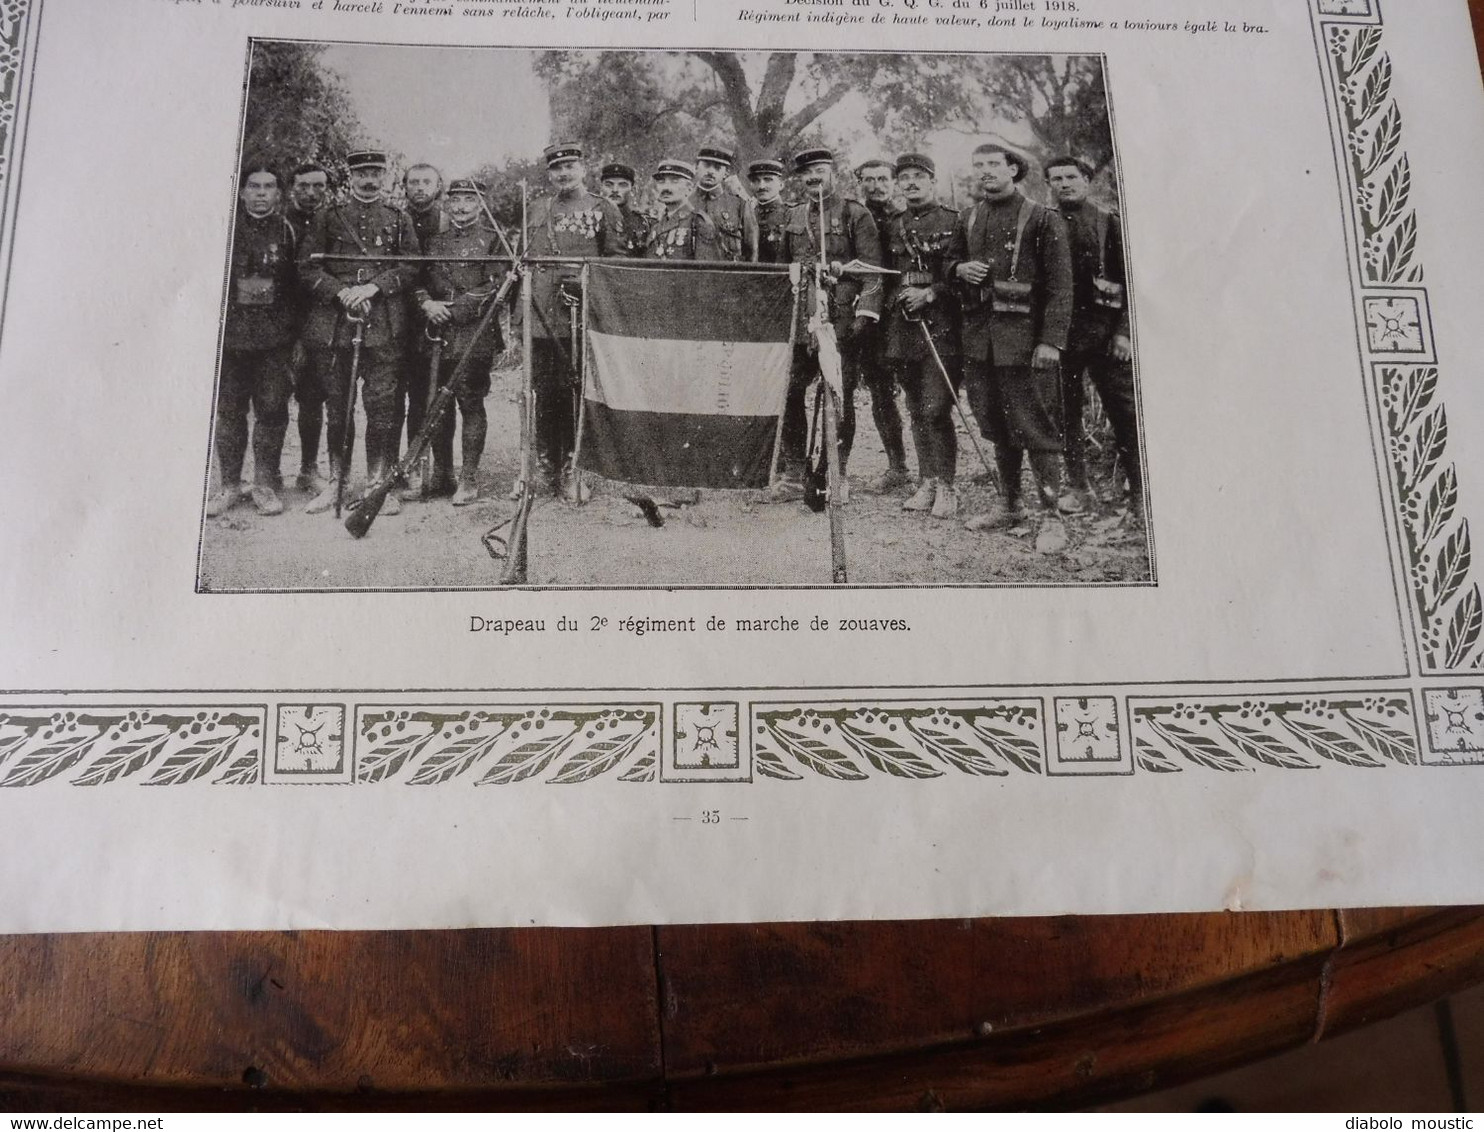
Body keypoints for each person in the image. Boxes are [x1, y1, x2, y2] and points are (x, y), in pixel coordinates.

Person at [952, 142, 1074, 552]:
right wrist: (958, 269)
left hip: (1026, 346)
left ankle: (1051, 517)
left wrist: (1051, 342)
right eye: (978, 164)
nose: (985, 171)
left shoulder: (1042, 218)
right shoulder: (969, 218)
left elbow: (1061, 288)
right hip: (981, 344)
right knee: (997, 426)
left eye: (993, 164)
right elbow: (946, 265)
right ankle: (1010, 504)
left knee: (1035, 427)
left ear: (1013, 169)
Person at [297, 149, 418, 516]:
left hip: (384, 325)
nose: (368, 180)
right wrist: (341, 292)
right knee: (339, 408)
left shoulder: (399, 218)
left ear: (384, 177)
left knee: (382, 407)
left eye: (375, 173)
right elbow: (305, 268)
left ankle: (378, 484)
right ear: (350, 176)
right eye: (362, 173)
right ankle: (336, 483)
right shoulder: (326, 218)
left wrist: (373, 288)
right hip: (336, 327)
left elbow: (411, 266)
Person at [771, 147, 883, 503]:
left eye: (819, 170)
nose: (813, 178)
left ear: (833, 172)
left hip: (841, 321)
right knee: (789, 391)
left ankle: (836, 472)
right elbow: (781, 271)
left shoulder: (854, 214)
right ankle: (793, 471)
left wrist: (864, 315)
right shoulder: (794, 216)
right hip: (801, 321)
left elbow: (873, 272)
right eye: (807, 173)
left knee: (838, 395)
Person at [1043, 155, 1143, 522]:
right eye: (1056, 178)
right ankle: (1078, 487)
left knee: (1125, 414)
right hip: (1062, 337)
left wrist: (1123, 333)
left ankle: (1139, 493)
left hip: (1105, 337)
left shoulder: (1108, 221)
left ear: (1086, 180)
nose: (1064, 184)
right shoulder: (1044, 222)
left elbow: (1133, 282)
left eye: (1071, 176)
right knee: (1066, 415)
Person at [525, 142, 625, 500]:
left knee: (577, 392)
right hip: (541, 317)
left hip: (580, 316)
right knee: (544, 392)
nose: (563, 173)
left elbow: (615, 264)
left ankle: (575, 465)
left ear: (584, 168)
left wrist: (585, 285)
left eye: (570, 166)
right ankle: (546, 464)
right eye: (556, 168)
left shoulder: (603, 208)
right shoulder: (537, 208)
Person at [208, 164, 299, 518]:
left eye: (269, 187)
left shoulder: (287, 231)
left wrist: (291, 339)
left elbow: (295, 289)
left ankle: (264, 485)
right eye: (254, 186)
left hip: (273, 342)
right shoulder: (226, 229)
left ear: (278, 194)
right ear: (242, 191)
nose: (261, 193)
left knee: (272, 411)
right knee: (229, 412)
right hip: (231, 341)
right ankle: (230, 485)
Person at [415, 178, 505, 507]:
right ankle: (442, 473)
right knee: (439, 406)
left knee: (470, 402)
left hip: (473, 332)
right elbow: (419, 280)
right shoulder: (434, 242)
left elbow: (496, 285)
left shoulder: (494, 241)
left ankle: (468, 476)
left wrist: (454, 310)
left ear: (481, 204)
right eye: (456, 200)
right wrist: (427, 303)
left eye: (470, 199)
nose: (462, 206)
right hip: (436, 333)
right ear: (448, 204)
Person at [882, 153, 962, 519]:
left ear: (932, 180)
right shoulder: (892, 225)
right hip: (904, 328)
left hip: (941, 327)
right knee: (915, 408)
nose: (911, 183)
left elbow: (962, 276)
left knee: (936, 408)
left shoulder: (954, 222)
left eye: (919, 176)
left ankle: (947, 485)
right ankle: (926, 480)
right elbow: (884, 274)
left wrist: (931, 294)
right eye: (905, 177)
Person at [852, 157, 910, 493]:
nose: (876, 186)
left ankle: (933, 474)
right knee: (880, 393)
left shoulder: (904, 218)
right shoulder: (855, 217)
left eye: (883, 179)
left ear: (894, 182)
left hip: (903, 315)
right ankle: (897, 466)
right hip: (870, 317)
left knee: (918, 392)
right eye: (868, 179)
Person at [286, 162, 330, 495]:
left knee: (312, 399)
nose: (311, 193)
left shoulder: (329, 222)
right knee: (271, 405)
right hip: (281, 327)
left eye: (318, 186)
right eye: (303, 186)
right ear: (292, 188)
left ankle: (308, 469)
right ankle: (266, 477)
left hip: (318, 325)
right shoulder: (280, 223)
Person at [691, 144, 758, 263]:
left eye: (717, 167)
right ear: (696, 167)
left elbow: (752, 250)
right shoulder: (685, 203)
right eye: (706, 165)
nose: (711, 171)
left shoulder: (740, 205)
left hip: (728, 276)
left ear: (726, 173)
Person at [643, 160, 721, 260]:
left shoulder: (698, 222)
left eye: (674, 181)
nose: (666, 187)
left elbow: (706, 271)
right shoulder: (656, 226)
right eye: (661, 181)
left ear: (689, 188)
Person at [600, 162, 651, 257]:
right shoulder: (593, 219)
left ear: (632, 189)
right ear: (601, 187)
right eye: (609, 184)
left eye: (622, 185)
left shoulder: (644, 223)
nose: (615, 190)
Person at [748, 158, 790, 263]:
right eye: (756, 180)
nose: (761, 186)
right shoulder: (746, 213)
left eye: (768, 179)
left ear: (781, 184)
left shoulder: (790, 214)